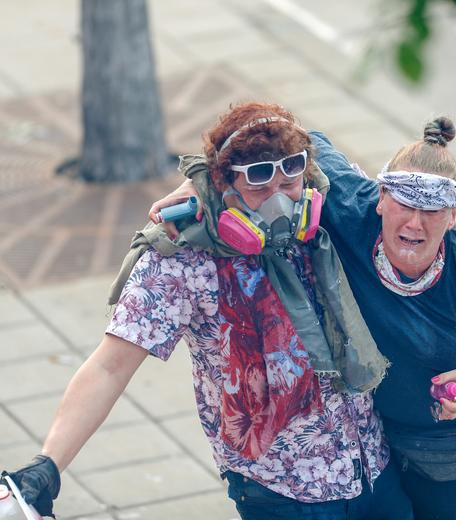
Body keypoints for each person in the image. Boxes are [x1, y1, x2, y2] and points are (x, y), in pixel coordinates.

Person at [2, 102, 413, 520]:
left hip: (373, 465)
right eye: (257, 184)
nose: (279, 199)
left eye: (290, 176)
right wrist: (47, 465)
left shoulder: (323, 212)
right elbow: (110, 366)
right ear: (222, 184)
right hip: (283, 491)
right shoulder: (181, 258)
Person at [150, 116, 456, 519]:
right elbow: (277, 138)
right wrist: (200, 182)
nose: (415, 222)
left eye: (434, 210)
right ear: (381, 197)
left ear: (454, 216)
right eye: (404, 202)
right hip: (416, 451)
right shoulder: (349, 210)